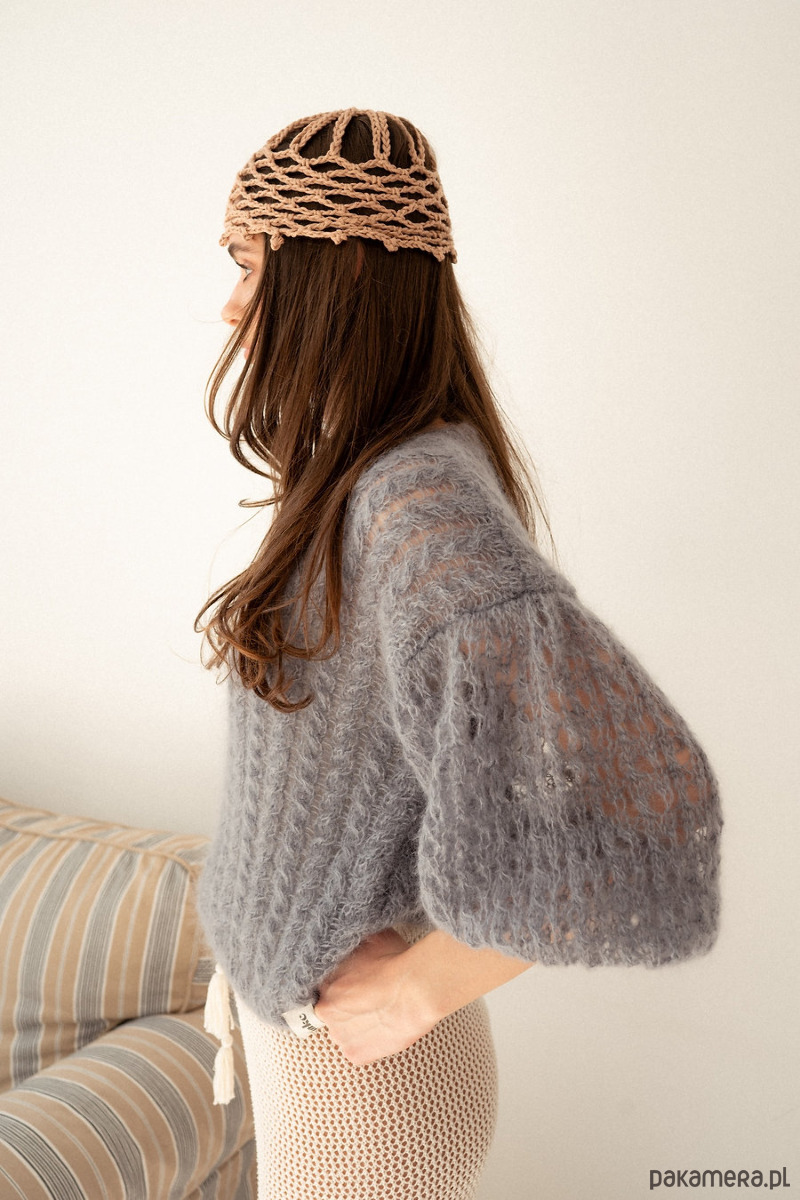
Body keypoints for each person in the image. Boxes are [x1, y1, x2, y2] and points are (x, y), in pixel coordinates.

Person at [194, 108, 723, 1200]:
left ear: (336, 268)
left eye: (250, 264)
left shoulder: (414, 501)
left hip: (363, 1090)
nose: (231, 303)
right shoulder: (361, 469)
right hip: (308, 1053)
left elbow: (642, 817)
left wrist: (422, 985)